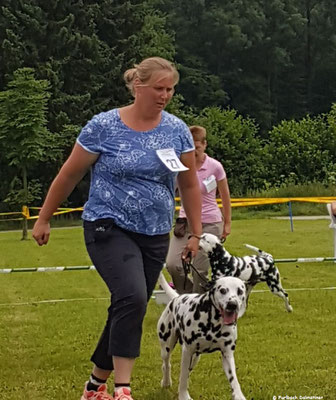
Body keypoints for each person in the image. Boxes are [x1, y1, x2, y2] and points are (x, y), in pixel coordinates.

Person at [32, 56, 202, 400]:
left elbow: (189, 185)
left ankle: (95, 385)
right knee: (133, 296)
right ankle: (122, 387)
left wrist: (196, 232)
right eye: (158, 88)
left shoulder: (176, 130)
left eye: (170, 89)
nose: (165, 95)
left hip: (154, 232)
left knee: (130, 304)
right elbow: (70, 173)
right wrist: (45, 216)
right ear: (137, 86)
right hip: (107, 225)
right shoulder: (103, 126)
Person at [165, 125, 231, 294]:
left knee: (199, 270)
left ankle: (200, 307)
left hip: (210, 223)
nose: (193, 151)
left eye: (197, 147)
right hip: (185, 223)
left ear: (204, 145)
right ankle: (185, 296)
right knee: (173, 264)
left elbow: (225, 196)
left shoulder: (215, 167)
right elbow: (170, 192)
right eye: (190, 147)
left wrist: (227, 223)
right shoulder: (180, 167)